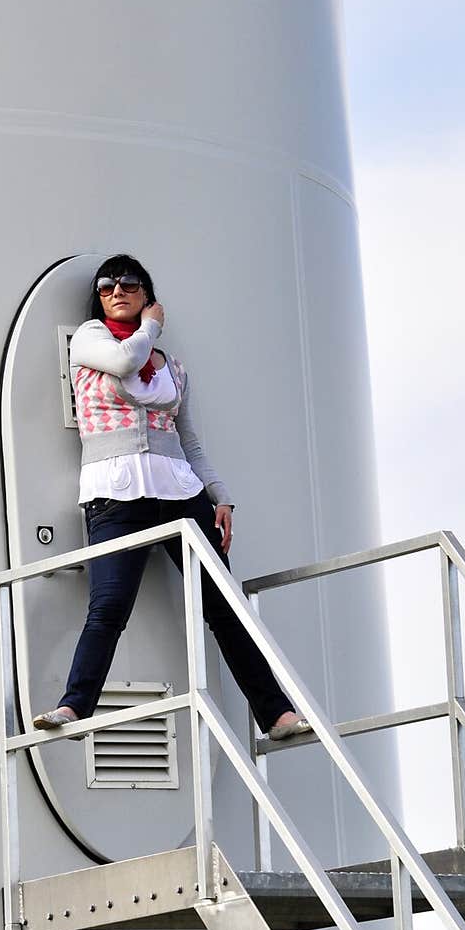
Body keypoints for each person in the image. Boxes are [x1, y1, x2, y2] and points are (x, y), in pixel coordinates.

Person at [32, 253, 309, 742]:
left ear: (147, 293)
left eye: (130, 284)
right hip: (115, 494)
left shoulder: (174, 370)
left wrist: (221, 496)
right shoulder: (91, 342)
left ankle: (277, 715)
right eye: (106, 286)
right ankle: (75, 707)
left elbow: (191, 442)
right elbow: (125, 361)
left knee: (224, 606)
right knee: (109, 606)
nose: (117, 291)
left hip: (181, 492)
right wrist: (152, 327)